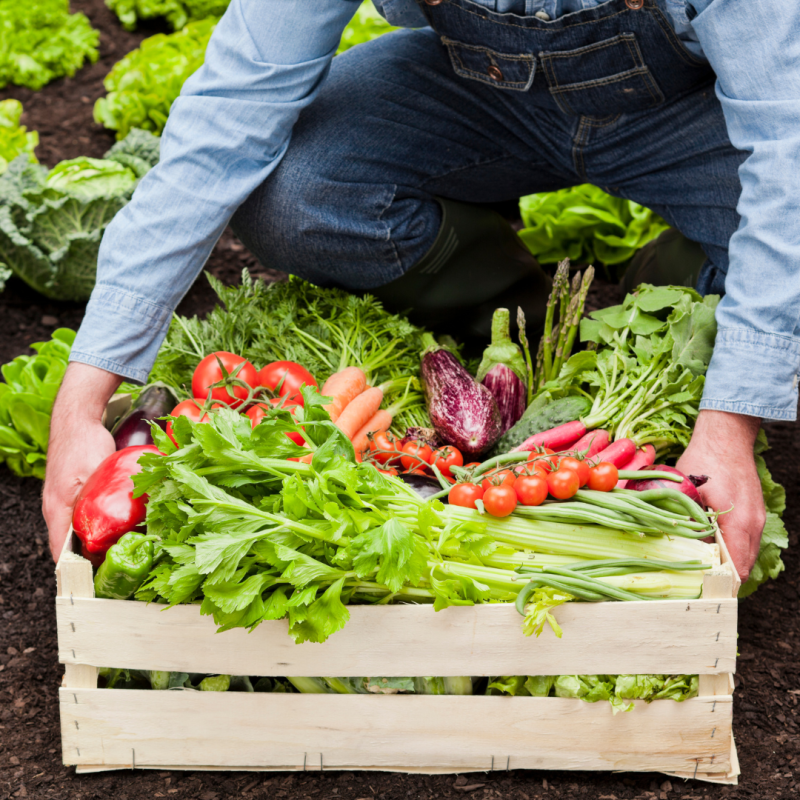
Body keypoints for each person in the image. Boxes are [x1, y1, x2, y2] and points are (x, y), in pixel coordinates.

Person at [43, 0, 799, 582]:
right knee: (297, 188)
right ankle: (515, 314)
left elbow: (787, 155)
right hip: (489, 97)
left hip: (695, 116)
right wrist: (83, 397)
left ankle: (673, 297)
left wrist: (731, 423)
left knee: (777, 259)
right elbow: (229, 114)